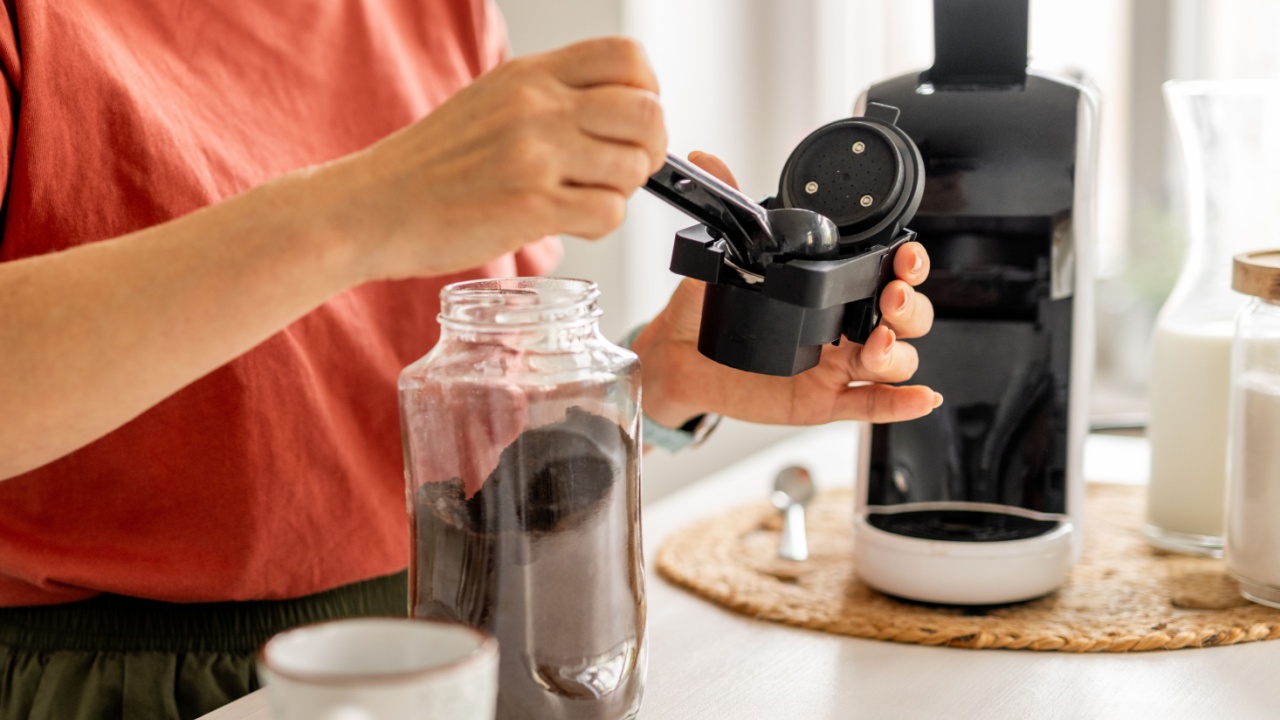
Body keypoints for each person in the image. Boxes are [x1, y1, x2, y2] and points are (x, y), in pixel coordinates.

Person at [0, 1, 937, 718]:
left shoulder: (436, 13)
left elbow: (479, 429)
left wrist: (649, 389)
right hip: (118, 679)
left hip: (464, 636)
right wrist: (361, 209)